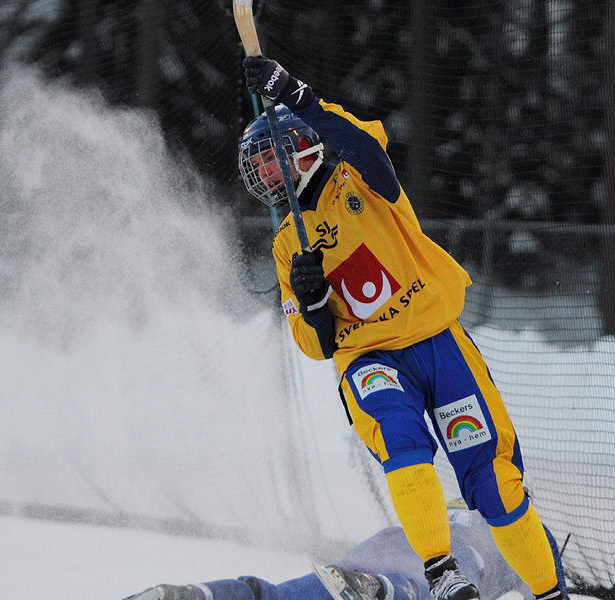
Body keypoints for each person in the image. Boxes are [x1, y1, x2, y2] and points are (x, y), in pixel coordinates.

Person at [236, 56, 565, 600]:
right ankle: (441, 572)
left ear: (304, 147)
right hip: (371, 359)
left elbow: (364, 143)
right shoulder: (285, 244)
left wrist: (298, 97)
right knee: (401, 440)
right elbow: (316, 345)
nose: (269, 174)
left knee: (495, 485)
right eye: (262, 167)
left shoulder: (359, 176)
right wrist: (314, 298)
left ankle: (553, 593)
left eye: (275, 159)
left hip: (438, 342)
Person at [122, 502, 568, 600]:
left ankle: (190, 595)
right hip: (440, 565)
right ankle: (378, 590)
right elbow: (548, 592)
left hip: (379, 548)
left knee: (277, 596)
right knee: (420, 591)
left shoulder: (448, 501)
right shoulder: (529, 533)